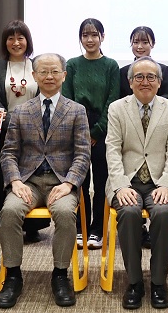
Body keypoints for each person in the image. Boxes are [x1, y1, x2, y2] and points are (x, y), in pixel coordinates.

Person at [0, 53, 91, 309]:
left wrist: (70, 183)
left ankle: (60, 275)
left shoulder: (76, 111)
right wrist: (15, 181)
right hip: (29, 180)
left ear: (64, 75)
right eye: (44, 72)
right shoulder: (20, 111)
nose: (49, 76)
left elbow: (82, 153)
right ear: (35, 76)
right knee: (10, 211)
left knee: (63, 213)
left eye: (55, 71)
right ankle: (13, 275)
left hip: (62, 181)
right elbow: (8, 152)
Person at [105, 56, 168, 309]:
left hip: (160, 181)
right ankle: (135, 282)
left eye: (151, 77)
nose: (145, 81)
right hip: (127, 180)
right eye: (139, 77)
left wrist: (167, 185)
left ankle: (158, 282)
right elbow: (113, 150)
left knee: (162, 212)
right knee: (128, 212)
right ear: (130, 82)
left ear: (159, 82)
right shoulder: (117, 108)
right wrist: (120, 185)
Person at [0, 20, 50, 243]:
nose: (16, 43)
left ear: (27, 41)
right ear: (5, 42)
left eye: (20, 38)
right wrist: (14, 124)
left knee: (32, 175)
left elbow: (42, 96)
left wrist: (29, 123)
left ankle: (32, 226)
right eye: (11, 38)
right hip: (4, 131)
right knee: (3, 174)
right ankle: (5, 222)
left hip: (33, 130)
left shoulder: (36, 65)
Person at [63, 18, 120, 250]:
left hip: (103, 130)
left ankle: (97, 230)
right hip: (77, 128)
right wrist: (83, 132)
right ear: (80, 38)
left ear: (102, 37)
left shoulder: (111, 65)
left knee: (102, 181)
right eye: (85, 35)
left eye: (94, 35)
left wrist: (97, 131)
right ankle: (80, 228)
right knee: (79, 182)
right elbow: (67, 99)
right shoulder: (72, 64)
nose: (89, 39)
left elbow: (113, 101)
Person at [119, 26, 168, 249]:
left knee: (160, 205)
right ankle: (138, 229)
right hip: (131, 128)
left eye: (145, 42)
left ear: (153, 43)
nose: (140, 46)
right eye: (136, 42)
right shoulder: (124, 70)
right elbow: (122, 100)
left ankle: (154, 231)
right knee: (130, 202)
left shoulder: (163, 70)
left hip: (158, 126)